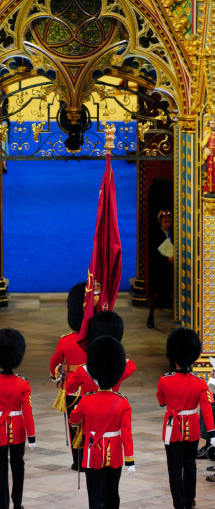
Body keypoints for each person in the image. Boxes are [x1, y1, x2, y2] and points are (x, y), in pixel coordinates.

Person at [69, 336, 135, 509]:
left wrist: (78, 424)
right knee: (112, 494)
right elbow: (127, 433)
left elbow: (74, 419)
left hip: (92, 453)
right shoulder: (122, 401)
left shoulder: (85, 400)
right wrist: (130, 460)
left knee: (94, 495)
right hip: (114, 454)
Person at [0, 328, 35, 509]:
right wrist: (31, 436)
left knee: (0, 471)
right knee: (18, 467)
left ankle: (3, 506)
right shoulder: (22, 382)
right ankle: (17, 503)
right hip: (17, 429)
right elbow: (28, 412)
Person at [157, 327, 215, 509]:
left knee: (174, 468)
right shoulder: (199, 382)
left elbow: (161, 400)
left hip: (172, 429)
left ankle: (178, 503)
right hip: (192, 429)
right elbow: (206, 409)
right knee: (190, 465)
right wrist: (212, 434)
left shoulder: (164, 380)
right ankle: (190, 499)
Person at [49, 282, 87, 470]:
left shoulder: (65, 340)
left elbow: (54, 363)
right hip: (92, 388)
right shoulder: (96, 339)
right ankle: (89, 458)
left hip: (71, 388)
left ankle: (77, 460)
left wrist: (55, 377)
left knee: (74, 425)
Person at [147, 209, 174, 328]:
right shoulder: (155, 234)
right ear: (160, 222)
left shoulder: (175, 234)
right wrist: (166, 260)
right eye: (165, 222)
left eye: (169, 222)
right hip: (158, 269)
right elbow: (153, 252)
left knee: (173, 292)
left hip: (171, 269)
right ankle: (151, 316)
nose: (168, 224)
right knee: (155, 294)